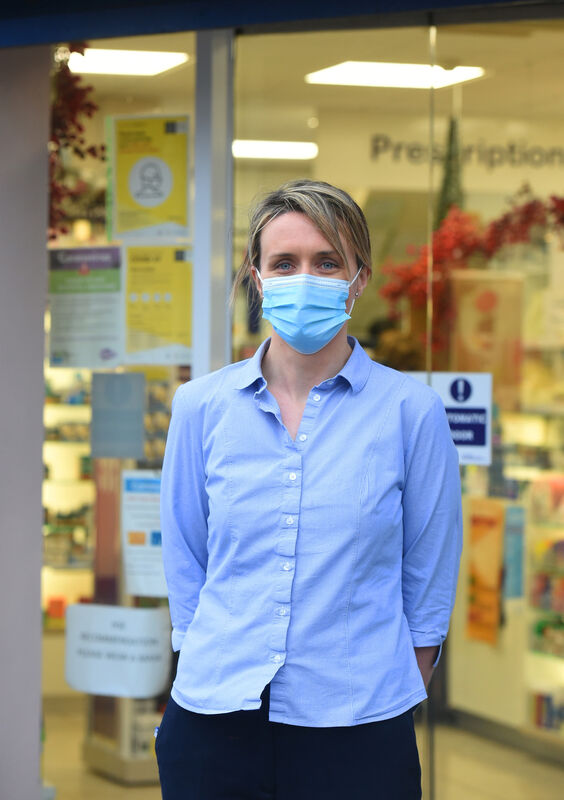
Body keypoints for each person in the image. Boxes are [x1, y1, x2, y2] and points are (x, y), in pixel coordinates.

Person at [156, 179, 462, 799]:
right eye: (284, 263)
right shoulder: (200, 407)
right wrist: (201, 660)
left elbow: (427, 579)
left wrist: (396, 687)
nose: (306, 278)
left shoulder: (412, 412)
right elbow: (186, 558)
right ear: (257, 277)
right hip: (214, 721)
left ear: (359, 279)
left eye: (328, 262)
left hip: (359, 727)